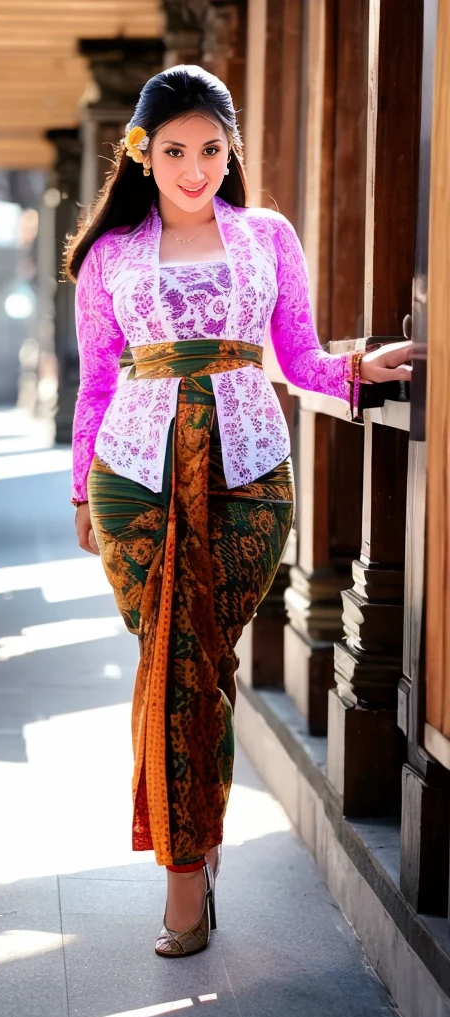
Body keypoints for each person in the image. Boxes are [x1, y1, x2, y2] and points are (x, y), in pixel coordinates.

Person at [64, 65, 413, 958]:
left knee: (203, 659)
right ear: (143, 153)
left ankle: (192, 844)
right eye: (174, 150)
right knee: (174, 658)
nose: (193, 168)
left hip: (251, 473)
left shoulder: (267, 237)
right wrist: (80, 490)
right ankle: (189, 876)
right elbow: (98, 382)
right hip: (134, 476)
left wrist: (356, 369)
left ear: (233, 150)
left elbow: (294, 355)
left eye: (211, 149)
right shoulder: (108, 256)